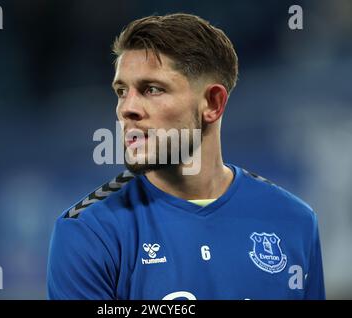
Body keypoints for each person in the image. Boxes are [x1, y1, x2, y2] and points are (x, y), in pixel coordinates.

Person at [47, 13, 325, 300]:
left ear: (212, 103)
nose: (126, 109)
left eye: (151, 89)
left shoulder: (293, 220)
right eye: (121, 91)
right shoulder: (88, 231)